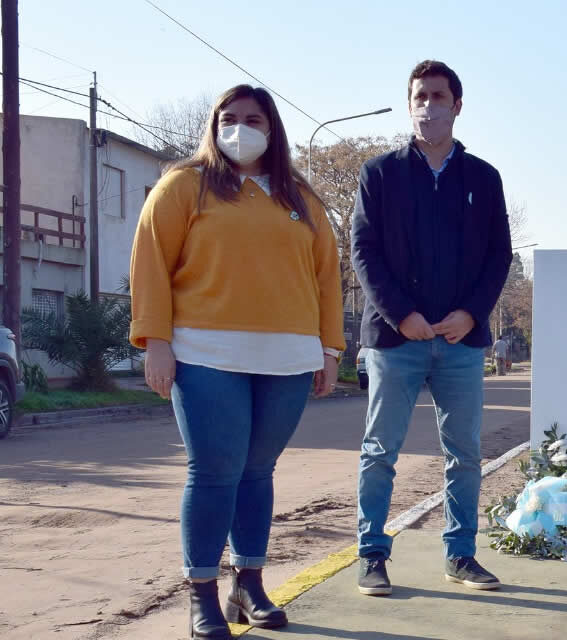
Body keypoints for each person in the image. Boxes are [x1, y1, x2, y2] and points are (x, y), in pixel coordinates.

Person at [130, 85, 344, 639]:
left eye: (252, 119)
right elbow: (151, 260)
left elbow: (326, 278)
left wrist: (330, 348)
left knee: (257, 472)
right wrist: (155, 339)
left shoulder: (301, 198)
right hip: (205, 353)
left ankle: (248, 585)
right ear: (213, 125)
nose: (240, 128)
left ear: (272, 128)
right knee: (214, 473)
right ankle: (201, 593)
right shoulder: (185, 186)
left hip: (288, 358)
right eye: (229, 119)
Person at [352, 60, 512, 596]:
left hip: (461, 342)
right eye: (419, 96)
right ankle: (371, 555)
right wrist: (404, 315)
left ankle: (461, 555)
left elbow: (498, 256)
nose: (428, 105)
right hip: (397, 340)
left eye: (438, 96)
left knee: (464, 454)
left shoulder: (483, 179)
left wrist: (471, 314)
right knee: (381, 451)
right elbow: (364, 252)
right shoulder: (379, 174)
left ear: (457, 106)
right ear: (409, 104)